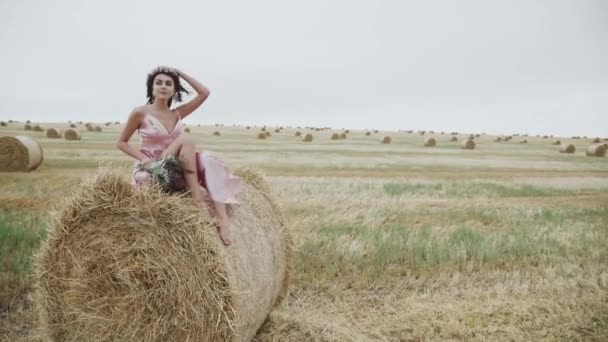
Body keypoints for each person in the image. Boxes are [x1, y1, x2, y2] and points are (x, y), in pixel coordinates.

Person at [116, 66, 240, 246]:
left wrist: (179, 73)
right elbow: (121, 142)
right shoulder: (140, 112)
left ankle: (222, 219)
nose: (163, 86)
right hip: (154, 167)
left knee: (209, 159)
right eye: (158, 83)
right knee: (186, 138)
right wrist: (145, 160)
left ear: (174, 89)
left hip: (176, 165)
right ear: (152, 88)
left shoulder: (178, 113)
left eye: (168, 83)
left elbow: (204, 93)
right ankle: (199, 204)